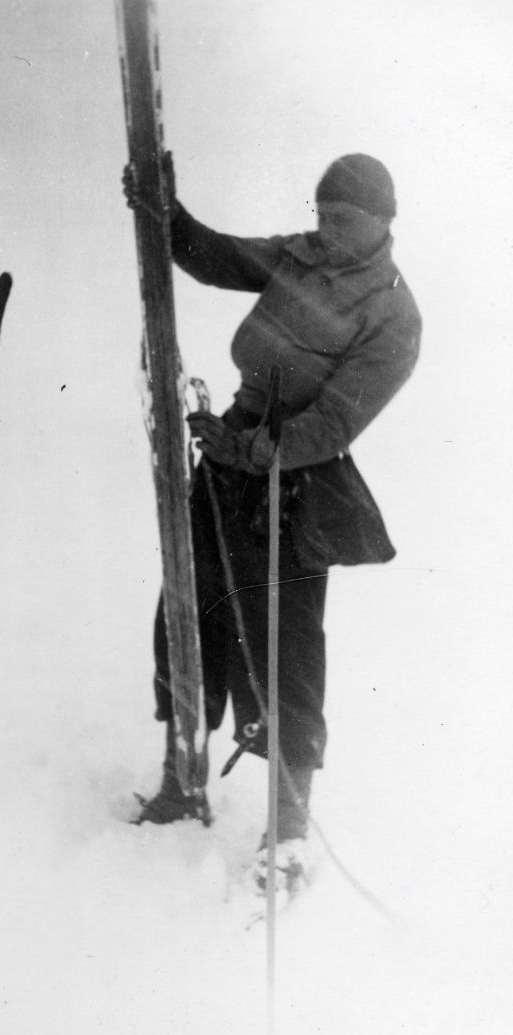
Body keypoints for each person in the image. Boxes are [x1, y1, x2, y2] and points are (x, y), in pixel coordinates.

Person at [123, 153, 421, 890]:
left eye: (342, 220)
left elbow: (332, 422)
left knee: (285, 649)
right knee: (187, 609)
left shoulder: (393, 314)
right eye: (320, 213)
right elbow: (216, 256)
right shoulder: (304, 257)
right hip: (232, 454)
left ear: (383, 223)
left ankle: (288, 828)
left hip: (296, 487)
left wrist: (251, 450)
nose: (324, 231)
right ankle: (180, 773)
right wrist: (168, 213)